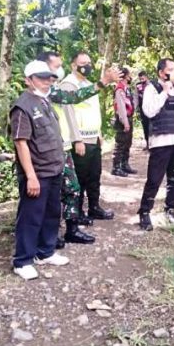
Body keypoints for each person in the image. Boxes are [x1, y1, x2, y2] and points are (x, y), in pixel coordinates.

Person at [38, 51, 120, 244]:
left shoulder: (53, 91)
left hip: (62, 146)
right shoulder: (34, 97)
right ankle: (46, 235)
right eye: (56, 66)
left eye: (60, 66)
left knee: (72, 187)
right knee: (51, 192)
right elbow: (72, 103)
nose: (59, 70)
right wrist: (78, 139)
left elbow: (74, 98)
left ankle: (71, 229)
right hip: (48, 150)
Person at [10, 60, 69, 281]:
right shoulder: (23, 106)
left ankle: (45, 252)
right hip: (37, 173)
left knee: (52, 213)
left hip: (53, 169)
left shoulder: (45, 102)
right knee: (31, 216)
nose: (46, 82)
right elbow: (21, 143)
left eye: (49, 77)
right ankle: (23, 260)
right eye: (41, 78)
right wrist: (31, 176)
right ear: (28, 80)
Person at [137, 58, 174, 231]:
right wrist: (164, 92)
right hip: (160, 142)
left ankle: (170, 210)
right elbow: (149, 111)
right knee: (154, 180)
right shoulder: (152, 88)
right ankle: (144, 212)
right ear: (161, 73)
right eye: (170, 69)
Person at [60, 52, 115, 221]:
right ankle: (78, 211)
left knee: (94, 175)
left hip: (93, 138)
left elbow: (93, 111)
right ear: (73, 65)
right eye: (83, 63)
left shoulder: (90, 84)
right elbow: (68, 113)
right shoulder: (69, 84)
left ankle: (94, 207)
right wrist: (77, 139)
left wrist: (99, 134)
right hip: (81, 140)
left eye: (89, 62)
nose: (87, 66)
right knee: (80, 178)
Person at [111, 67, 138, 177]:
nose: (131, 76)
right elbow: (121, 108)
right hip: (122, 119)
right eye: (129, 75)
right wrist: (125, 122)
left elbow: (132, 104)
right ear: (126, 76)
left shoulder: (127, 89)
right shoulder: (120, 89)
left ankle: (124, 164)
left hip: (129, 118)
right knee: (120, 144)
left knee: (127, 143)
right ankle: (116, 167)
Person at [135, 70, 150, 148]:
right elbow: (136, 97)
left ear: (146, 77)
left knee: (152, 126)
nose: (142, 80)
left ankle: (153, 144)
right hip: (142, 109)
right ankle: (147, 143)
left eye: (143, 78)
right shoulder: (138, 86)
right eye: (140, 79)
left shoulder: (151, 85)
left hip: (151, 108)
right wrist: (135, 108)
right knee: (145, 126)